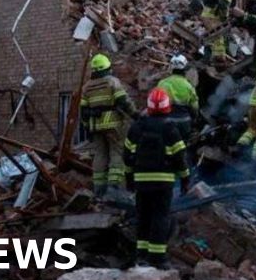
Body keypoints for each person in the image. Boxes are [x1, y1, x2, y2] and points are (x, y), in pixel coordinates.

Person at [124, 88, 190, 267]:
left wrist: (129, 177)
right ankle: (158, 258)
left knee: (143, 216)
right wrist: (185, 179)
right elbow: (180, 156)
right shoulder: (170, 128)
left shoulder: (137, 127)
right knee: (160, 217)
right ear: (167, 107)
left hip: (141, 181)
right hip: (163, 182)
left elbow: (127, 154)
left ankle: (141, 255)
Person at [80, 53, 137, 198]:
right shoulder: (112, 81)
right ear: (107, 68)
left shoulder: (87, 87)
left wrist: (87, 126)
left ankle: (99, 189)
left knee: (100, 155)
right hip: (113, 124)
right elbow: (123, 101)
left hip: (95, 126)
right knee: (117, 153)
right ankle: (115, 188)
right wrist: (136, 115)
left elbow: (83, 111)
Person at [197, 0, 239, 66]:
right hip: (212, 14)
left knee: (217, 36)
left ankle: (219, 56)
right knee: (217, 35)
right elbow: (224, 4)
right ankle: (218, 58)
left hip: (208, 12)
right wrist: (224, 16)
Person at [157, 54, 199, 141]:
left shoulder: (162, 83)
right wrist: (194, 121)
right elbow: (195, 108)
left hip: (165, 121)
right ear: (185, 69)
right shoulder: (189, 86)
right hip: (183, 122)